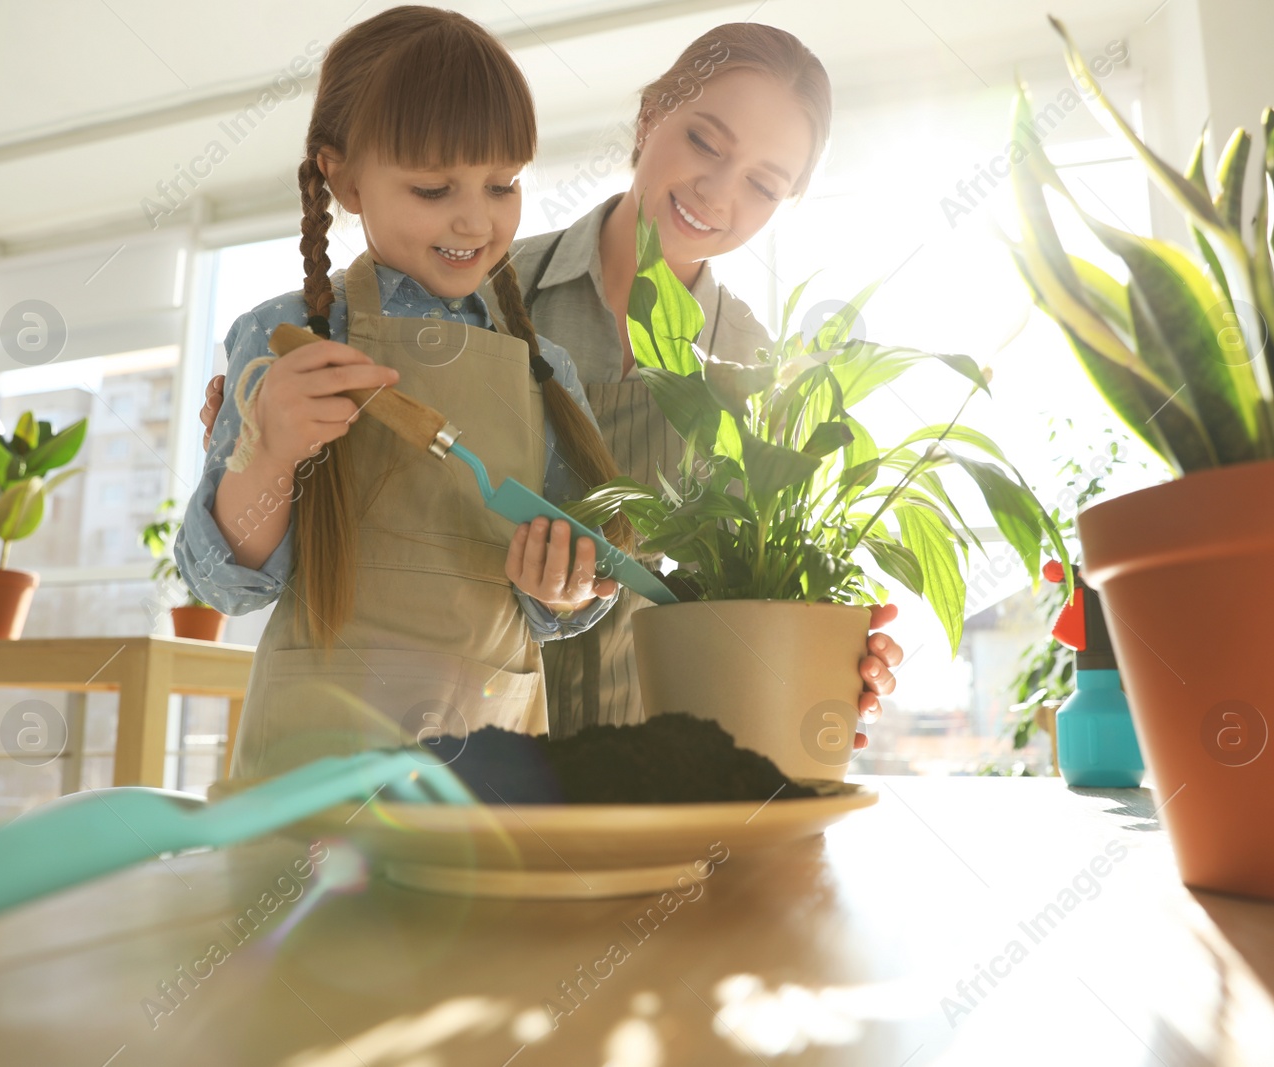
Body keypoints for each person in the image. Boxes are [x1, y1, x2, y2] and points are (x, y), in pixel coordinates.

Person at [199, 23, 904, 751]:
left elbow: (751, 595)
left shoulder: (762, 373)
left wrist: (828, 655)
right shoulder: (475, 284)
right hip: (466, 744)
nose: (718, 192)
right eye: (704, 142)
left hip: (653, 747)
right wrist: (261, 450)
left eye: (763, 183)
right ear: (650, 115)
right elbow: (249, 548)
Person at [176, 6, 628, 777]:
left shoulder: (543, 366)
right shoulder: (286, 338)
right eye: (431, 187)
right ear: (343, 177)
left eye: (502, 183)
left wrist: (564, 587)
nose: (475, 218)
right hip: (314, 768)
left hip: (488, 762)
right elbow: (222, 585)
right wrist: (270, 452)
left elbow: (574, 596)